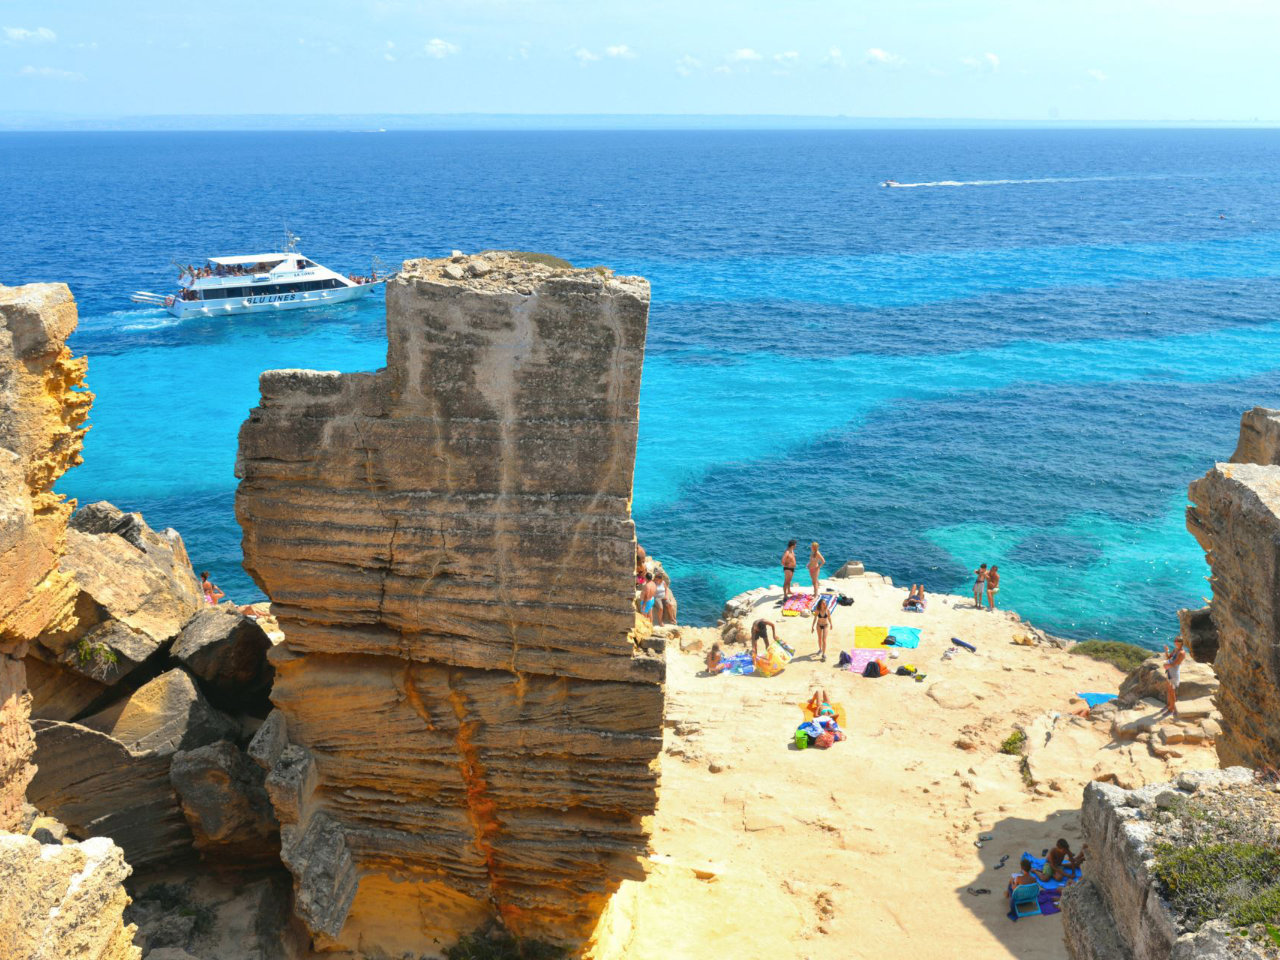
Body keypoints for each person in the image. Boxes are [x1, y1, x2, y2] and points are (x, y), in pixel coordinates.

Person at [1162, 636, 1186, 718]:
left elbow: (1176, 663)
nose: (1176, 642)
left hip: (1174, 674)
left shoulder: (1182, 653)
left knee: (1172, 693)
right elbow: (1169, 657)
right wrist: (1166, 651)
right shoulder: (1175, 650)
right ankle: (1169, 705)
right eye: (1175, 641)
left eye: (1178, 641)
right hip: (1169, 672)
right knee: (1169, 690)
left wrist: (1167, 666)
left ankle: (1171, 709)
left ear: (1182, 643)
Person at [811, 597, 834, 662]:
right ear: (820, 604)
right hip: (819, 625)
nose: (824, 604)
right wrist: (812, 626)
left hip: (826, 625)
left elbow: (829, 617)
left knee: (824, 640)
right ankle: (820, 649)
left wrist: (831, 624)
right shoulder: (817, 610)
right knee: (819, 638)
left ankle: (823, 654)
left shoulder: (827, 610)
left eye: (825, 603)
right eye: (823, 603)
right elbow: (815, 618)